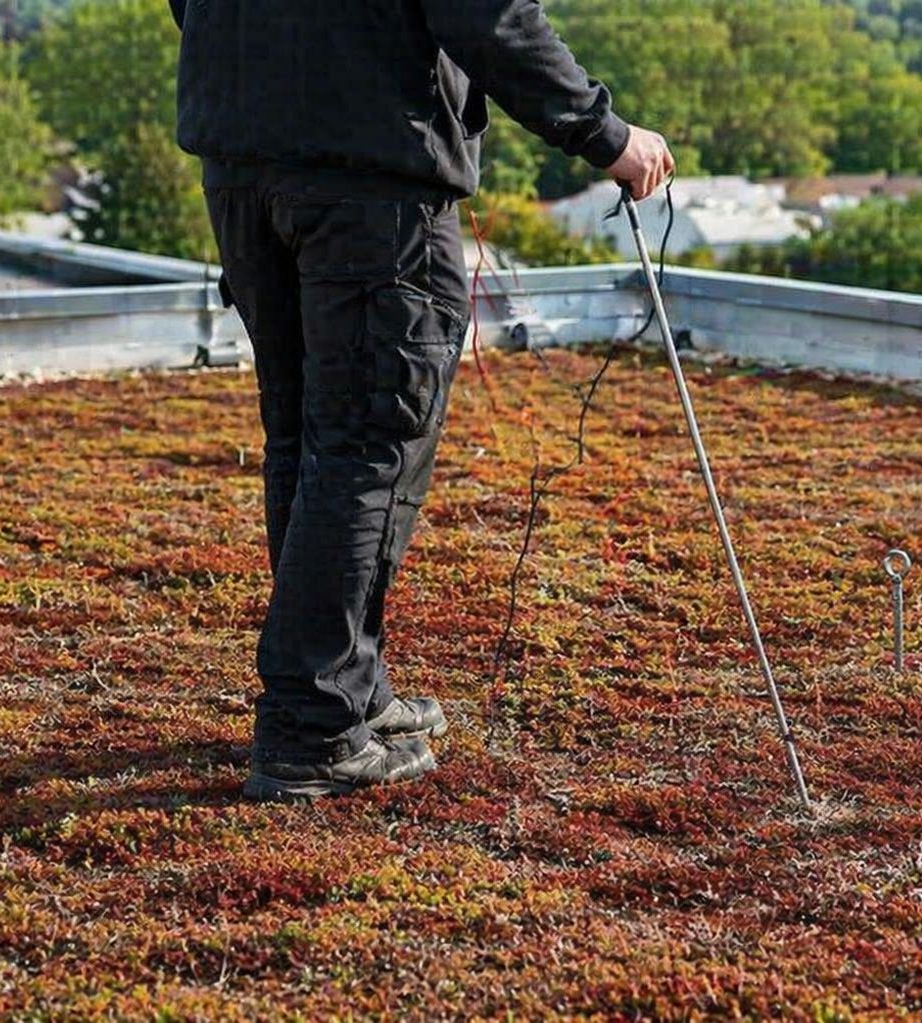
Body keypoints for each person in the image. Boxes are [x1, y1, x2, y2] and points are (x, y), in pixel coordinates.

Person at [169, 0, 674, 801]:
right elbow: (488, 13)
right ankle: (311, 727)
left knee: (309, 441)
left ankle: (347, 688)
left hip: (244, 168)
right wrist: (605, 134)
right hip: (371, 183)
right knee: (367, 444)